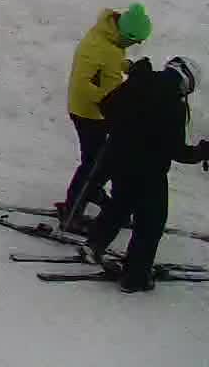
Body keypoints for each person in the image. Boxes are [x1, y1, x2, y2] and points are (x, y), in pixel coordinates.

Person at [84, 55, 208, 292]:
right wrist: (202, 151)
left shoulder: (138, 81)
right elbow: (177, 151)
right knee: (150, 223)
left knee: (120, 204)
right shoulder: (174, 104)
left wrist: (123, 131)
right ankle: (135, 276)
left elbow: (106, 106)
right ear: (186, 81)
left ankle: (95, 243)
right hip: (149, 172)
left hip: (119, 160)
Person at [60, 2, 150, 229]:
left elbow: (108, 63)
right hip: (88, 112)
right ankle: (72, 213)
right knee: (94, 163)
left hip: (99, 112)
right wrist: (109, 101)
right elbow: (82, 84)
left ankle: (90, 196)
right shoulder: (99, 44)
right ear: (125, 33)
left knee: (99, 161)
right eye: (135, 40)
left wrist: (127, 67)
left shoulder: (110, 38)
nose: (135, 44)